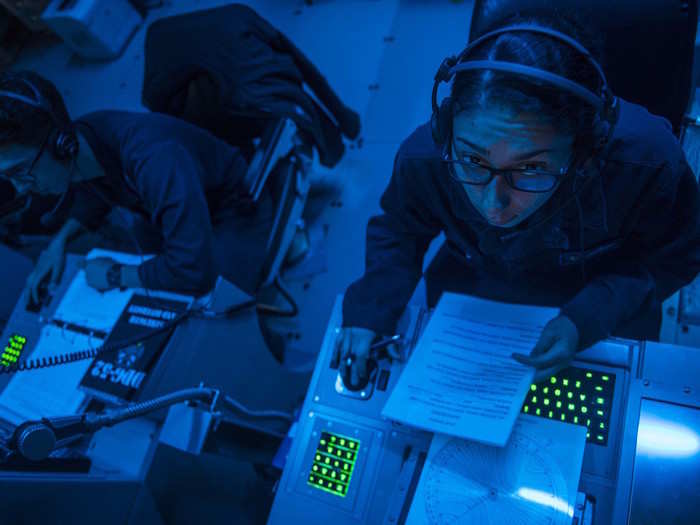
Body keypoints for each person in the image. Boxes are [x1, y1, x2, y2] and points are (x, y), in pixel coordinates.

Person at [335, 13, 700, 389]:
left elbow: (677, 257)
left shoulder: (649, 163)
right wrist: (372, 307)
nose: (494, 205)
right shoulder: (427, 157)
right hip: (473, 295)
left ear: (586, 153)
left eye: (531, 168)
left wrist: (590, 316)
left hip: (604, 303)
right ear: (446, 130)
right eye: (474, 160)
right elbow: (400, 228)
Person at [0, 71, 275, 304]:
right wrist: (58, 243)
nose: (20, 189)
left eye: (21, 171)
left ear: (61, 144)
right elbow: (89, 187)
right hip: (180, 203)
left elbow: (193, 270)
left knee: (210, 307)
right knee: (146, 264)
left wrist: (115, 275)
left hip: (236, 210)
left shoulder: (154, 158)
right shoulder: (84, 140)